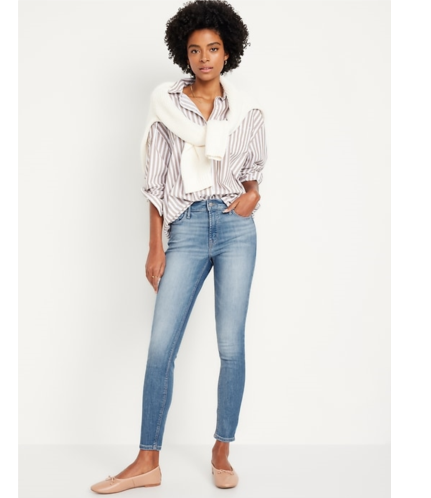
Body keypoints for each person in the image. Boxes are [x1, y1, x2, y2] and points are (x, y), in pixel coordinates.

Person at [91, 0, 267, 493]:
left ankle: (221, 448)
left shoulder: (247, 110)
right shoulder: (167, 105)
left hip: (235, 228)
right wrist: (157, 246)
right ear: (183, 54)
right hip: (185, 226)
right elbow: (155, 181)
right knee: (160, 347)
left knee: (231, 346)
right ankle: (148, 460)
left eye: (213, 48)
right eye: (194, 50)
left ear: (228, 52)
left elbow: (252, 172)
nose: (204, 58)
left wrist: (253, 196)